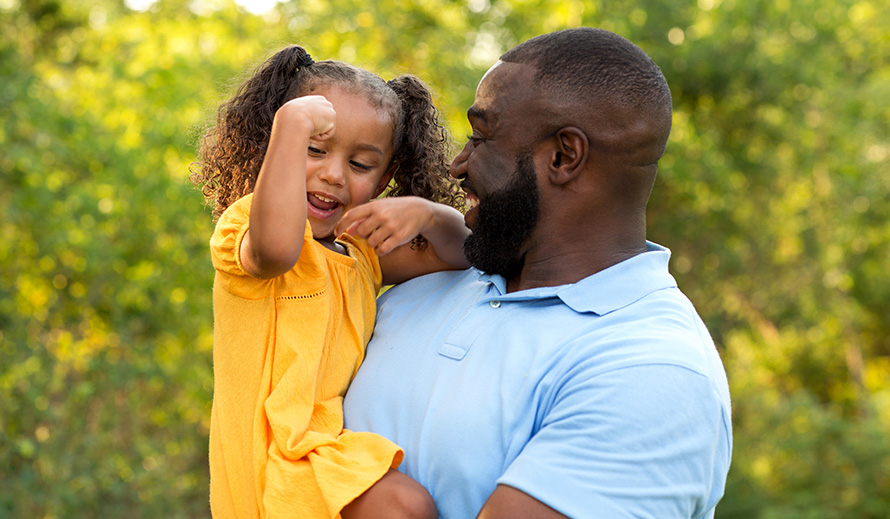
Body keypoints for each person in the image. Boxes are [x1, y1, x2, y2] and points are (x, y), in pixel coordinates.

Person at [343, 27, 733, 519]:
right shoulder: (427, 279)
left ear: (564, 156)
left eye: (481, 137)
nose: (457, 165)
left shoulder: (652, 371)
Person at [191, 45, 470, 519]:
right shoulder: (245, 229)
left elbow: (462, 253)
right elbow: (277, 250)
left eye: (361, 165)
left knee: (409, 504)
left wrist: (428, 212)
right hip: (273, 463)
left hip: (320, 451)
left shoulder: (359, 251)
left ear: (383, 181)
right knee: (404, 505)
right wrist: (290, 125)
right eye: (313, 150)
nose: (333, 174)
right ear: (274, 151)